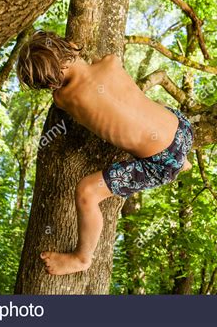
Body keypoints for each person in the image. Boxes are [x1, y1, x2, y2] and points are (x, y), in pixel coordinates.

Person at [16, 30, 194, 275]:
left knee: (87, 192)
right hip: (182, 128)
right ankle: (182, 159)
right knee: (143, 106)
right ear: (71, 45)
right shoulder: (111, 61)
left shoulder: (64, 98)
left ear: (49, 85)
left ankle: (81, 258)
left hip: (160, 163)